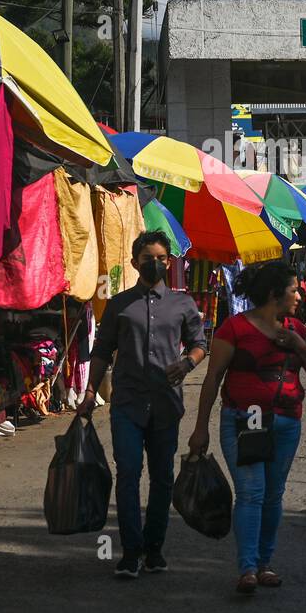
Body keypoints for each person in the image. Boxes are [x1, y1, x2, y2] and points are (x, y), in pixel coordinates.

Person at [188, 261, 306, 594]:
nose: (299, 294)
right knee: (252, 493)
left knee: (273, 495)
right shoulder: (234, 328)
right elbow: (212, 380)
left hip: (286, 421)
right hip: (244, 421)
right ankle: (248, 568)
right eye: (294, 289)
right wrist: (200, 428)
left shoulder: (297, 328)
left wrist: (298, 344)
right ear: (273, 294)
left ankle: (265, 564)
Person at [79, 231, 206, 578]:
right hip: (127, 405)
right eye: (148, 258)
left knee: (163, 479)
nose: (156, 263)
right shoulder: (119, 304)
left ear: (170, 261)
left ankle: (154, 550)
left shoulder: (183, 304)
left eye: (162, 258)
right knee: (129, 475)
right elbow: (101, 351)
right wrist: (90, 392)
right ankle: (131, 552)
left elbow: (199, 344)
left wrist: (187, 363)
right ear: (135, 263)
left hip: (166, 405)